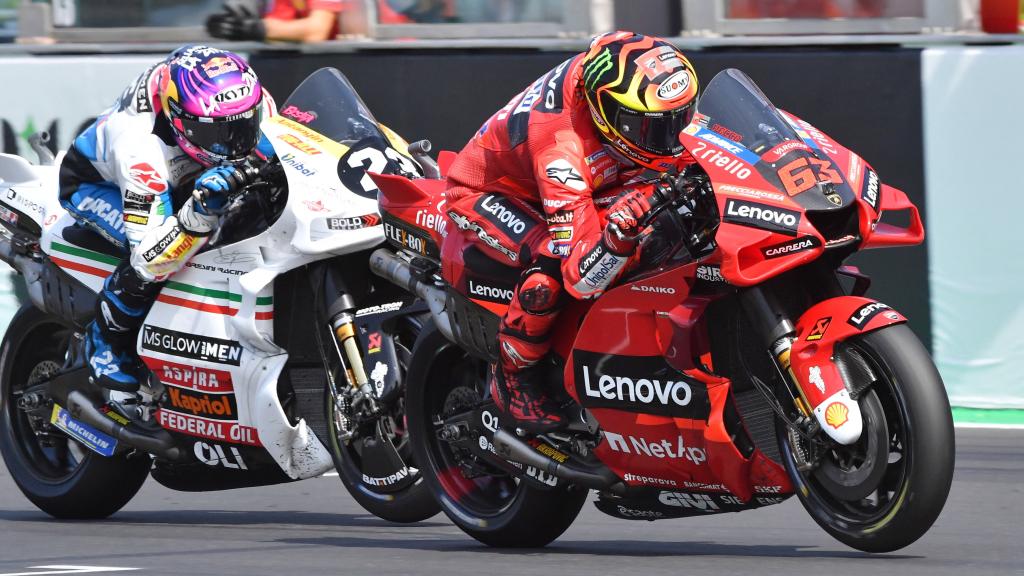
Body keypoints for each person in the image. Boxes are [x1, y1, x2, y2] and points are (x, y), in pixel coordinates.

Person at [444, 31, 699, 432]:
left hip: (596, 179)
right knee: (549, 270)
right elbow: (580, 275)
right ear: (605, 114)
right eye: (654, 130)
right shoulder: (561, 147)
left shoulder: (623, 74)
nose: (671, 140)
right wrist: (617, 238)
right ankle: (514, 379)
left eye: (679, 119)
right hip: (494, 193)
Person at [59, 45, 276, 392]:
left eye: (243, 126)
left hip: (182, 171)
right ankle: (105, 343)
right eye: (217, 135)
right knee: (156, 261)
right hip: (96, 185)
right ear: (178, 119)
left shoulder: (249, 99)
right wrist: (199, 212)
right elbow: (149, 257)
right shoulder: (140, 151)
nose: (234, 144)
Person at [205, 0, 353, 42]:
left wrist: (256, 29)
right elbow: (279, 32)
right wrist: (232, 27)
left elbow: (317, 31)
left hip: (342, 70)